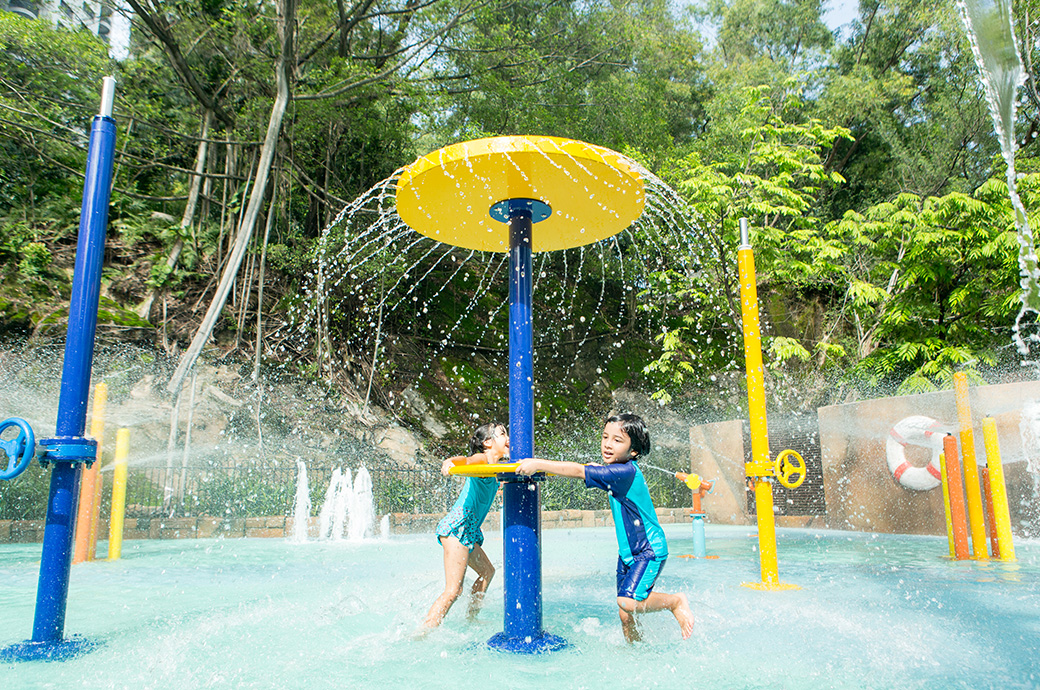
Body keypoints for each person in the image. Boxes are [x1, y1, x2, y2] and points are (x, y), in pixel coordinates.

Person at [515, 413, 694, 642]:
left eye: (617, 440)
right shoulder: (620, 469)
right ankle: (635, 653)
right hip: (629, 553)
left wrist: (538, 464)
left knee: (627, 602)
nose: (608, 444)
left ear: (634, 451)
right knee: (625, 615)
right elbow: (589, 469)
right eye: (605, 437)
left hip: (649, 551)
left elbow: (580, 471)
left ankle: (675, 602)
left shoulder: (623, 472)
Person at [422, 422, 509, 629]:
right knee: (453, 590)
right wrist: (450, 462)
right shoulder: (484, 459)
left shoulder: (497, 467)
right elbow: (467, 460)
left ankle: (471, 619)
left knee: (487, 572)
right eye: (503, 433)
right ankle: (423, 631)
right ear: (488, 442)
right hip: (457, 528)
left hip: (468, 531)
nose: (508, 437)